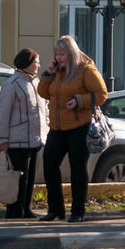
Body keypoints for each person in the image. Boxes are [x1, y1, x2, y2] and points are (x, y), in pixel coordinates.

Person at [38, 35, 107, 223]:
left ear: (71, 53)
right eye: (56, 53)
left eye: (62, 53)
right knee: (49, 164)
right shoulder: (57, 71)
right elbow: (43, 93)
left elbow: (102, 94)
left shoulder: (85, 69)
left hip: (79, 126)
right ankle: (55, 210)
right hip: (57, 128)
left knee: (78, 169)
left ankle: (78, 211)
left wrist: (79, 100)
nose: (59, 57)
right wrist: (48, 73)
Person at [0, 48, 48, 219]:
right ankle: (14, 210)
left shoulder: (35, 82)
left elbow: (42, 111)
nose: (39, 64)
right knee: (17, 177)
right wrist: (3, 140)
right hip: (17, 140)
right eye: (36, 61)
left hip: (35, 139)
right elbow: (4, 114)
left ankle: (26, 208)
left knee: (30, 177)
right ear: (27, 63)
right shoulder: (13, 83)